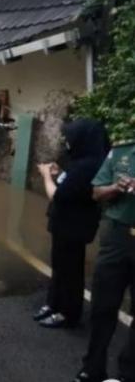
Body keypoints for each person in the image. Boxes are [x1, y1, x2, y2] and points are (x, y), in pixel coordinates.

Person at [35, 119, 109, 329]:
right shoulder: (80, 160)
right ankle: (53, 304)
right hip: (65, 224)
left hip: (73, 227)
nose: (67, 141)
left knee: (70, 272)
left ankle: (68, 314)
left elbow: (57, 195)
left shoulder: (88, 165)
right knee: (60, 267)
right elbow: (69, 185)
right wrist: (59, 173)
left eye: (71, 137)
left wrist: (46, 176)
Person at [75, 138, 135, 382]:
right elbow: (96, 192)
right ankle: (92, 367)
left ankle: (128, 373)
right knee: (102, 307)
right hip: (117, 239)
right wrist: (116, 187)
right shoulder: (122, 152)